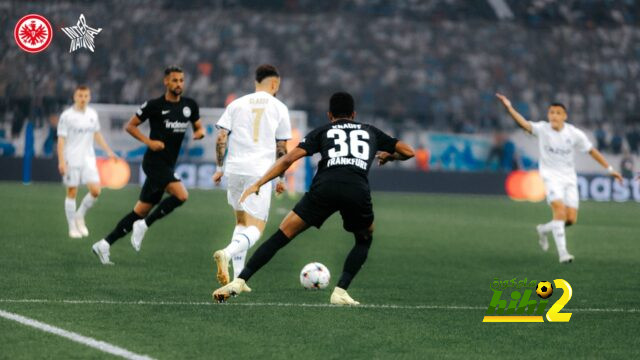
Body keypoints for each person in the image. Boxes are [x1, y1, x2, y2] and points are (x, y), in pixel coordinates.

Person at [213, 92, 415, 304]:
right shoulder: (371, 131)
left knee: (282, 235)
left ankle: (240, 280)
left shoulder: (323, 131)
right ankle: (340, 291)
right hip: (357, 189)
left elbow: (289, 158)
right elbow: (408, 151)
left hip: (325, 188)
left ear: (330, 115)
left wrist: (259, 183)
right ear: (354, 114)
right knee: (364, 239)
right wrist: (390, 155)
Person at [91, 66, 205, 264]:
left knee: (139, 211)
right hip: (154, 163)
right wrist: (149, 142)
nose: (179, 84)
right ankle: (144, 225)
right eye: (175, 80)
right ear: (166, 82)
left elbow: (198, 125)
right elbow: (130, 126)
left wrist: (199, 132)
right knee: (182, 195)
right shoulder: (154, 105)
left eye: (181, 80)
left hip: (168, 165)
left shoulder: (190, 105)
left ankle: (104, 244)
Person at [496, 93, 623, 263]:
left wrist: (610, 169)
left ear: (565, 116)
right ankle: (563, 253)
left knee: (570, 219)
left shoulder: (574, 134)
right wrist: (509, 107)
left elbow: (592, 150)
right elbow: (524, 124)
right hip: (550, 177)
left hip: (569, 178)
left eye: (557, 113)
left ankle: (543, 229)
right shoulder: (542, 129)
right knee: (559, 211)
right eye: (551, 113)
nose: (554, 116)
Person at [211, 64, 291, 285]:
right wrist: (281, 178)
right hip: (259, 173)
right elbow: (282, 148)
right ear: (274, 83)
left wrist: (219, 169)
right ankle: (226, 253)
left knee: (241, 221)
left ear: (256, 82)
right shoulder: (279, 107)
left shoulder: (236, 104)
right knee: (256, 227)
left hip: (235, 169)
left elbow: (221, 138)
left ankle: (238, 277)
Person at [57, 85, 116, 238]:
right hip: (72, 159)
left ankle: (79, 215)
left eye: (85, 96)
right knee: (72, 192)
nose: (83, 99)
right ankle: (72, 228)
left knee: (96, 191)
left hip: (88, 158)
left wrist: (108, 151)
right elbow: (61, 141)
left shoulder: (92, 114)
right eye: (80, 96)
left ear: (89, 97)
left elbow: (97, 134)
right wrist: (62, 161)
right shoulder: (66, 116)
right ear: (74, 97)